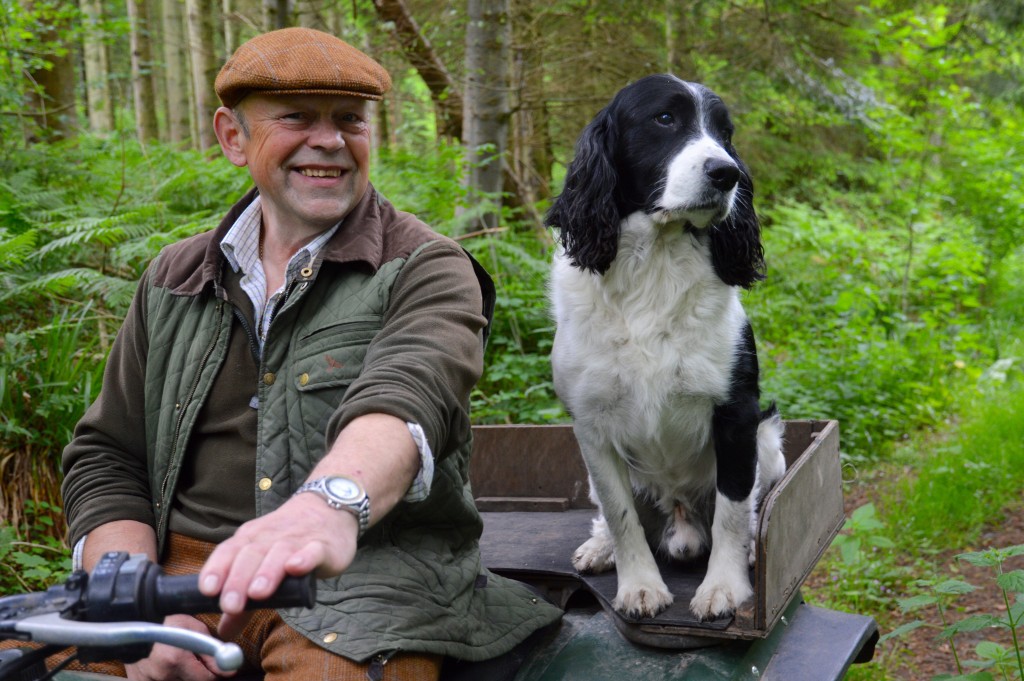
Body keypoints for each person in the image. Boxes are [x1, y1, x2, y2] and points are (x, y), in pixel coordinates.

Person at [61, 27, 561, 681]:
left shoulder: (424, 267)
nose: (329, 140)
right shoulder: (174, 276)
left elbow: (410, 392)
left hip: (366, 588)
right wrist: (135, 604)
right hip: (177, 580)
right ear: (232, 137)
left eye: (349, 119)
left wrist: (329, 504)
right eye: (297, 117)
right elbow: (108, 453)